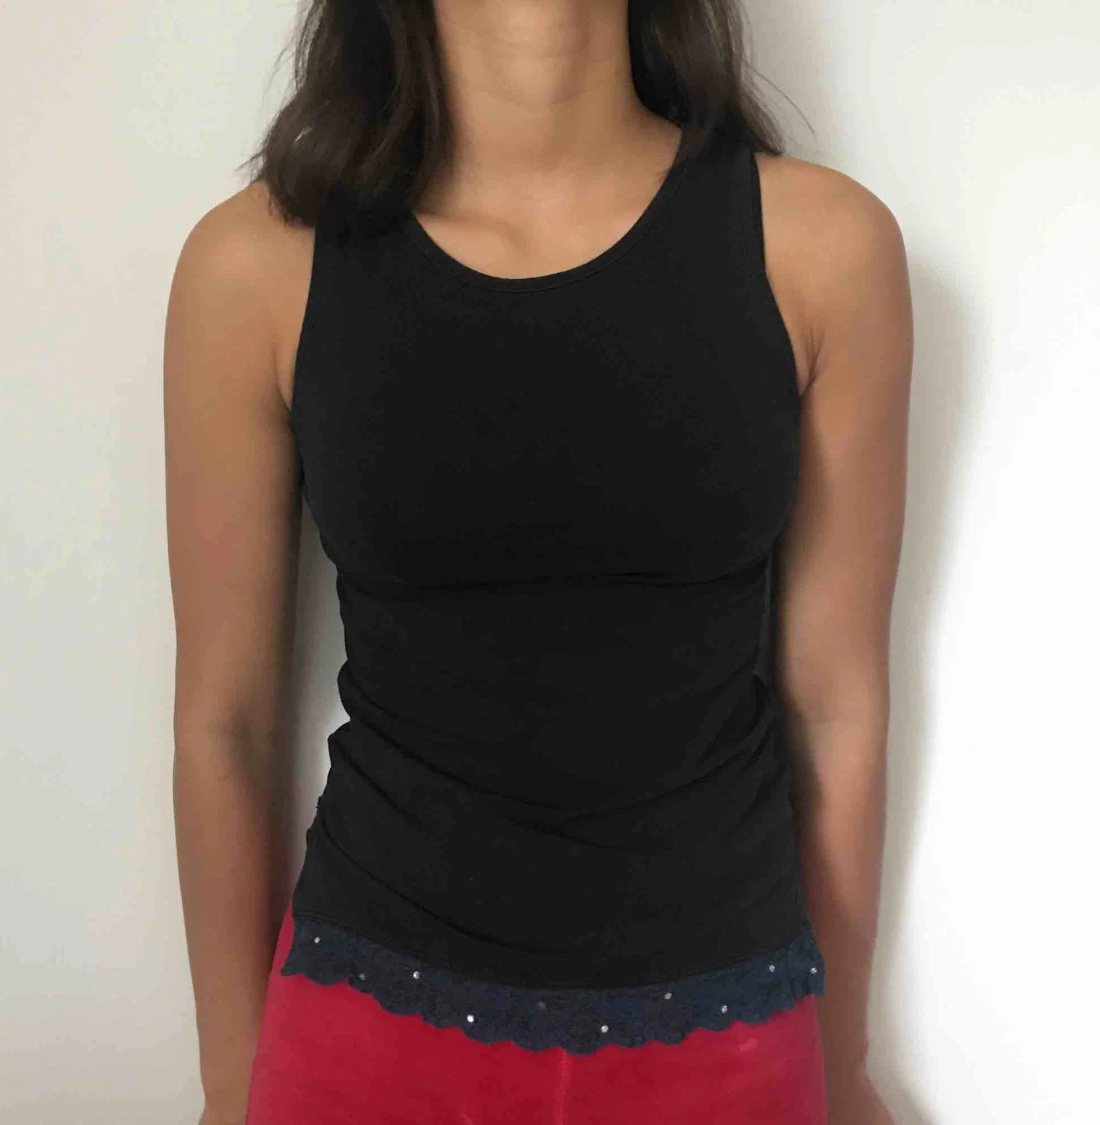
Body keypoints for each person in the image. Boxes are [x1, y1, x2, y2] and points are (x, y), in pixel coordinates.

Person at [164, 1, 912, 1122]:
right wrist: (231, 1086)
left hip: (731, 1026)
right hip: (365, 1030)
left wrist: (840, 1069)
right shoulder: (257, 267)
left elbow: (840, 705)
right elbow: (222, 722)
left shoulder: (823, 248)